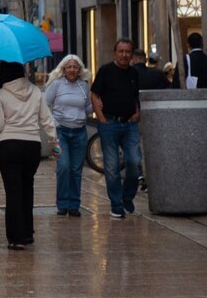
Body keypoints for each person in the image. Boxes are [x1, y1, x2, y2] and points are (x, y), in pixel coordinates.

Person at [0, 62, 58, 251]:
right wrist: (54, 143)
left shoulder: (0, 94)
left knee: (13, 192)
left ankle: (16, 237)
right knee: (27, 188)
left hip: (8, 145)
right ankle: (28, 232)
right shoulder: (36, 92)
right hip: (31, 145)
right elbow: (47, 120)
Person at [90, 38, 143, 219]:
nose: (124, 55)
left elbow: (136, 96)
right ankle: (116, 204)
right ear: (115, 53)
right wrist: (102, 118)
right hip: (109, 124)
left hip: (130, 124)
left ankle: (127, 197)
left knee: (134, 162)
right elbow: (94, 94)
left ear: (131, 54)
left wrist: (137, 113)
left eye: (127, 52)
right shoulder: (105, 71)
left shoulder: (134, 73)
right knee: (111, 167)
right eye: (121, 51)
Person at [43, 55, 92, 218]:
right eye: (69, 67)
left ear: (80, 70)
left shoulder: (83, 86)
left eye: (75, 67)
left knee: (76, 170)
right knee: (63, 167)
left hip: (80, 133)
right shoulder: (56, 85)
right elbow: (44, 104)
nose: (72, 70)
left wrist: (98, 105)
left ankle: (74, 205)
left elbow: (87, 108)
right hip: (61, 133)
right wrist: (53, 124)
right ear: (63, 69)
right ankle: (62, 204)